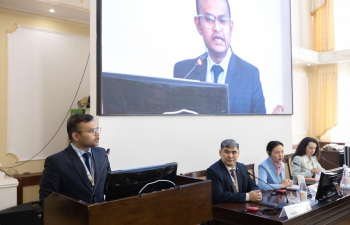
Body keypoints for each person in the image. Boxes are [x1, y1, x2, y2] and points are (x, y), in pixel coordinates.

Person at [173, 0, 266, 114]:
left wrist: (274, 123)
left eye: (222, 20)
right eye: (209, 19)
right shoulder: (183, 72)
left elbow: (260, 127)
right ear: (198, 25)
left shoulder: (251, 75)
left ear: (231, 27)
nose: (217, 28)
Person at [39, 114, 111, 206]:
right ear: (76, 136)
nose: (97, 133)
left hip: (101, 215)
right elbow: (47, 201)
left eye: (97, 129)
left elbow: (109, 187)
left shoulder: (102, 153)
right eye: (92, 131)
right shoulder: (56, 162)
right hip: (73, 218)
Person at [207, 139, 262, 204]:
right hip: (224, 209)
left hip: (242, 206)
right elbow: (219, 195)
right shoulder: (213, 171)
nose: (230, 156)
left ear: (238, 153)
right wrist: (247, 196)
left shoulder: (242, 167)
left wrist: (256, 193)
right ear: (220, 152)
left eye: (234, 152)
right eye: (226, 152)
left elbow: (252, 185)